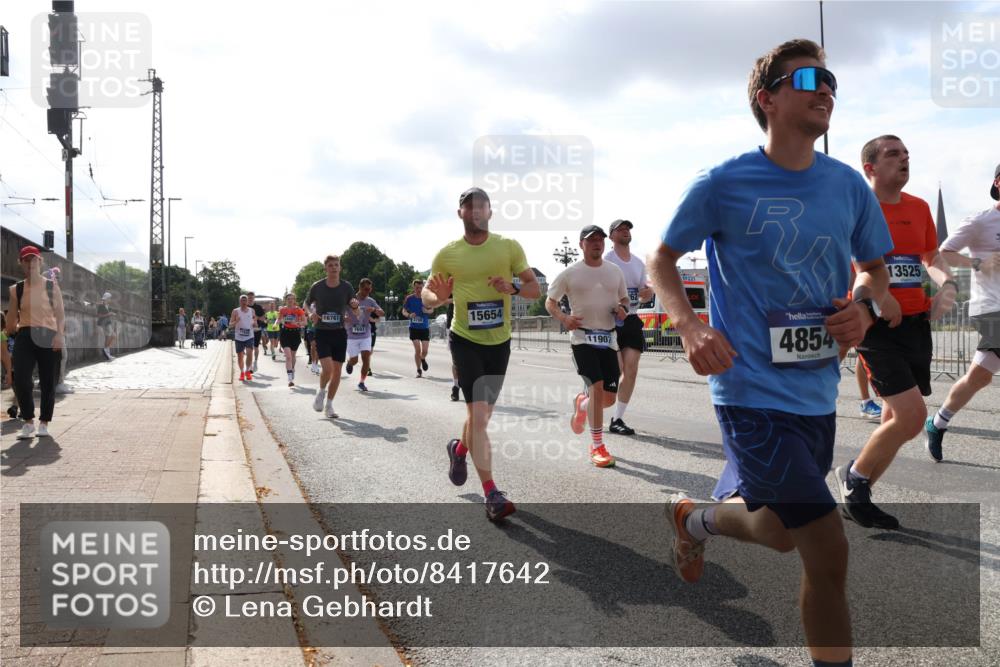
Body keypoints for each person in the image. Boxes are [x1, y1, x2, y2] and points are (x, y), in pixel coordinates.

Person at [648, 39, 892, 667]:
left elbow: (875, 271)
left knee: (782, 534)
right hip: (748, 390)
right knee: (827, 544)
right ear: (769, 98)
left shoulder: (847, 187)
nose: (827, 89)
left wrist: (863, 308)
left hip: (815, 391)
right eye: (811, 77)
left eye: (832, 79)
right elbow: (662, 259)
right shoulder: (722, 182)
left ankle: (694, 519)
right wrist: (690, 326)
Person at [835, 135, 959, 530]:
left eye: (907, 154)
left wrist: (948, 285)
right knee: (911, 417)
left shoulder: (919, 207)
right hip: (875, 326)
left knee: (894, 416)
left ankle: (859, 478)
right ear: (870, 167)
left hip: (915, 325)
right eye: (893, 155)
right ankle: (856, 485)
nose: (904, 159)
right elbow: (849, 265)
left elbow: (930, 256)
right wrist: (874, 294)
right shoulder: (854, 208)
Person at [423, 187, 540, 522]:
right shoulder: (448, 254)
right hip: (464, 340)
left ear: (490, 212)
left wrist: (514, 288)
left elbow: (534, 290)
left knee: (480, 419)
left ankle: (458, 449)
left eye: (481, 206)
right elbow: (429, 296)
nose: (475, 210)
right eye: (468, 206)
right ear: (460, 213)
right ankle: (492, 493)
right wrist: (439, 297)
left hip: (499, 342)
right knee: (478, 415)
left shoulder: (508, 247)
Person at [926, 163, 1000, 460]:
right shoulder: (981, 221)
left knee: (978, 377)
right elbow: (943, 252)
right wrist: (979, 264)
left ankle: (938, 421)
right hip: (990, 307)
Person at [547, 224, 629, 468]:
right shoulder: (570, 273)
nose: (597, 243)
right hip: (582, 339)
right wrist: (564, 318)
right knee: (596, 387)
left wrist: (623, 309)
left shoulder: (615, 271)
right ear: (581, 244)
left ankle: (581, 404)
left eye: (600, 239)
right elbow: (550, 301)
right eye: (591, 240)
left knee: (608, 399)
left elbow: (624, 298)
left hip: (609, 338)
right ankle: (597, 446)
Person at [5, 246, 67, 439]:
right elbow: (12, 317)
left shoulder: (51, 286)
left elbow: (61, 315)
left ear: (40, 262)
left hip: (48, 335)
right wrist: (8, 328)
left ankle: (44, 423)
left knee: (48, 381)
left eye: (34, 260)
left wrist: (59, 335)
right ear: (21, 263)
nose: (30, 263)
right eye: (26, 260)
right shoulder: (17, 289)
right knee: (21, 379)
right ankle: (29, 422)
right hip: (25, 335)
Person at [603, 218, 655, 435]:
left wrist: (647, 293)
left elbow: (644, 295)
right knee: (616, 372)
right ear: (611, 236)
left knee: (631, 371)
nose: (625, 231)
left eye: (628, 229)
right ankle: (588, 400)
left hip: (631, 319)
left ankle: (617, 419)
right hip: (609, 318)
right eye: (620, 229)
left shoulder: (638, 263)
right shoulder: (607, 259)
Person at [305, 255, 354, 418]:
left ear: (340, 268)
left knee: (338, 372)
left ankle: (330, 405)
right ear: (325, 268)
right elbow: (305, 303)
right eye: (331, 265)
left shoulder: (346, 287)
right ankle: (321, 391)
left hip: (339, 332)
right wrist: (311, 312)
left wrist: (355, 307)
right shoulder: (317, 286)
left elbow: (354, 307)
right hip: (322, 331)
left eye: (336, 265)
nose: (334, 267)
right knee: (328, 368)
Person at [344, 278, 384, 392]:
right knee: (355, 360)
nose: (368, 291)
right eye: (366, 289)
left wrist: (375, 310)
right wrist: (346, 319)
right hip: (352, 335)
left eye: (370, 289)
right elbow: (341, 314)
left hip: (365, 334)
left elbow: (382, 312)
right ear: (360, 288)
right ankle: (349, 363)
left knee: (366, 357)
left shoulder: (370, 300)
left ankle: (362, 382)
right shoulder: (350, 300)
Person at [402, 278, 432, 377]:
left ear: (423, 287)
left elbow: (431, 310)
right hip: (414, 327)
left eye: (420, 287)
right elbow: (404, 311)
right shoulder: (409, 298)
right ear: (413, 288)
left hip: (424, 327)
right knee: (417, 350)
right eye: (417, 288)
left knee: (425, 351)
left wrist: (427, 311)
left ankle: (423, 358)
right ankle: (419, 370)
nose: (419, 289)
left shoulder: (426, 297)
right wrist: (409, 315)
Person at [278, 292, 307, 387]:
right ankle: (290, 378)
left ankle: (292, 369)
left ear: (294, 300)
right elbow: (279, 320)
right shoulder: (282, 310)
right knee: (288, 356)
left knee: (293, 356)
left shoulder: (298, 310)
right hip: (285, 333)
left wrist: (297, 323)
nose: (290, 300)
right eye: (288, 299)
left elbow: (305, 322)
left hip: (295, 333)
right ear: (286, 300)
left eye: (292, 299)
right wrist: (280, 321)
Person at [229, 295, 256, 381]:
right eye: (242, 300)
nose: (244, 302)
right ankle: (242, 372)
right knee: (240, 356)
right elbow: (230, 325)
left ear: (247, 302)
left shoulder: (252, 311)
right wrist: (236, 321)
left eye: (245, 300)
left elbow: (254, 321)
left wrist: (254, 323)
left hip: (249, 336)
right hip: (239, 337)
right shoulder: (235, 311)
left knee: (249, 353)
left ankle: (247, 371)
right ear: (239, 301)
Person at [247, 292, 266, 373]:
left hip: (256, 329)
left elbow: (263, 319)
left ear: (254, 298)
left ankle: (255, 360)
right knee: (249, 348)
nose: (250, 298)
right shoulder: (245, 307)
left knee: (255, 347)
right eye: (249, 297)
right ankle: (250, 364)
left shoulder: (258, 307)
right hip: (247, 330)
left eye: (252, 297)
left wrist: (256, 317)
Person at [96, 291, 117, 360]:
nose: (110, 300)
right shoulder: (101, 305)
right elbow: (99, 315)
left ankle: (107, 351)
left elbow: (107, 315)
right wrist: (109, 314)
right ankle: (107, 352)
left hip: (108, 323)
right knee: (110, 336)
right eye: (109, 298)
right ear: (106, 298)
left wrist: (112, 314)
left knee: (112, 336)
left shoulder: (107, 306)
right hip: (104, 324)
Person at [446, 300, 459, 401]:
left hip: (475, 327)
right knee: (456, 360)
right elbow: (442, 299)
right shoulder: (454, 284)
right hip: (453, 327)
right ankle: (456, 386)